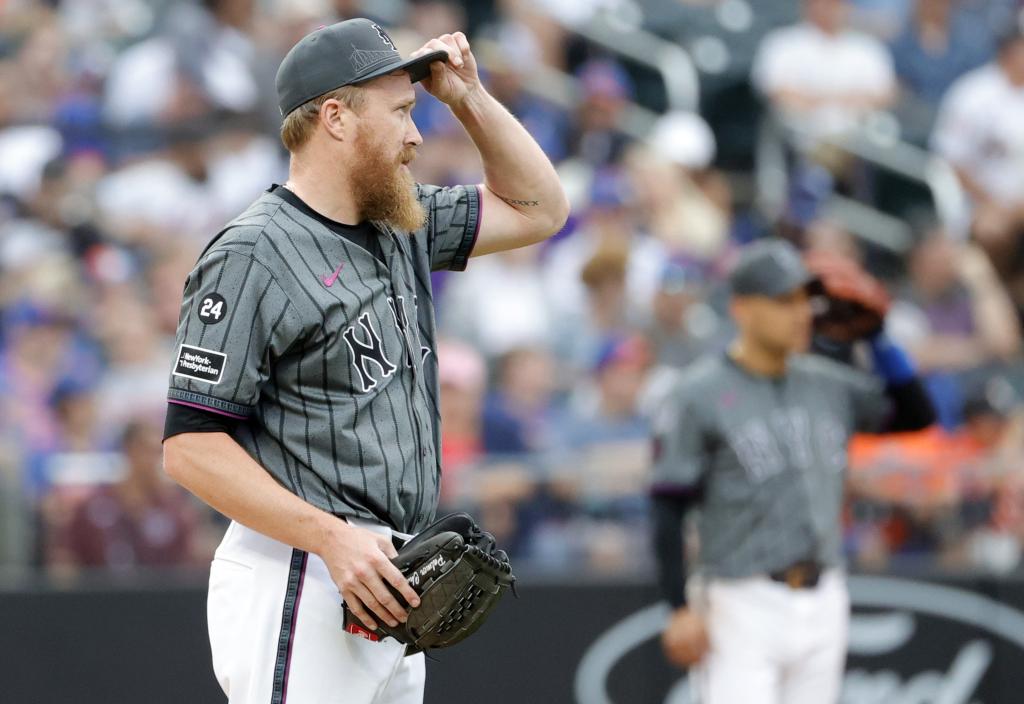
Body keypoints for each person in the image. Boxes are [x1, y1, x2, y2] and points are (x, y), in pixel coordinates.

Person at [161, 19, 568, 704]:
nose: (417, 134)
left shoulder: (399, 221)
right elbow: (189, 448)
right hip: (301, 568)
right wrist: (331, 539)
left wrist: (467, 96)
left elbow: (540, 208)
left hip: (390, 572)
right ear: (335, 118)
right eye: (402, 112)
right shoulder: (254, 252)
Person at [651, 239, 934, 704]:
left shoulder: (827, 382)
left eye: (805, 299)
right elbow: (667, 506)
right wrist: (677, 606)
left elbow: (916, 415)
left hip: (825, 594)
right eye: (784, 301)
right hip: (740, 597)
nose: (801, 313)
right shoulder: (698, 393)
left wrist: (879, 339)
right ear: (742, 308)